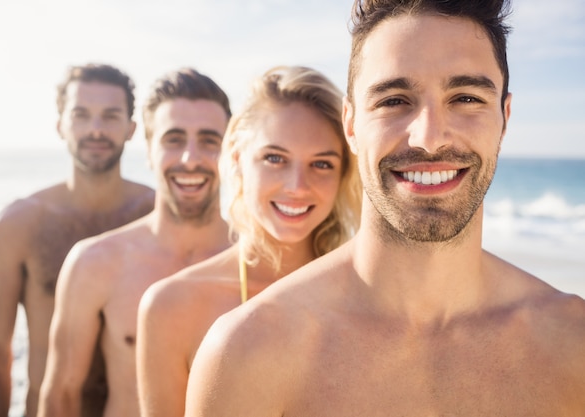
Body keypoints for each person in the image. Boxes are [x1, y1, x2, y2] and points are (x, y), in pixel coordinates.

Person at [184, 1, 585, 416]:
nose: (429, 138)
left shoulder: (573, 343)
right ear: (352, 126)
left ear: (505, 116)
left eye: (465, 97)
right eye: (394, 100)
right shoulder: (249, 351)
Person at [136, 65, 362, 417]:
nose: (297, 186)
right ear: (239, 160)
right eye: (275, 158)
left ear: (343, 173)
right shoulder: (170, 306)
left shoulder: (371, 297)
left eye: (321, 164)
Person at [36, 68, 232, 417]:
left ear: (231, 149)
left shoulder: (263, 261)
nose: (190, 158)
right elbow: (61, 395)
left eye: (208, 140)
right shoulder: (95, 262)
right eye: (173, 139)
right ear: (149, 150)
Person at [0, 63, 155, 417]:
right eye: (81, 115)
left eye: (111, 116)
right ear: (60, 125)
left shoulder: (158, 216)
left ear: (132, 129)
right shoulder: (18, 224)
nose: (96, 129)